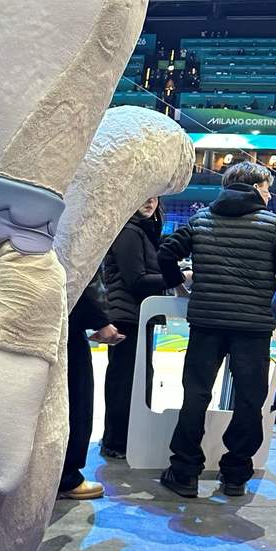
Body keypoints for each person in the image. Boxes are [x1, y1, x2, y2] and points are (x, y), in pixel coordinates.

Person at [157, 161, 276, 499]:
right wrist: (269, 302)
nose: (269, 195)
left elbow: (166, 253)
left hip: (207, 322)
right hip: (252, 328)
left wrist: (179, 285)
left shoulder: (200, 220)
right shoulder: (274, 226)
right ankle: (235, 476)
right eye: (267, 188)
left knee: (196, 395)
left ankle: (184, 472)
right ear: (255, 187)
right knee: (249, 400)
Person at [100, 196, 167, 459]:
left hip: (139, 316)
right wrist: (178, 277)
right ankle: (116, 442)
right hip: (127, 318)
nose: (150, 201)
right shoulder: (129, 231)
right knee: (125, 382)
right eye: (144, 194)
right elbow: (137, 280)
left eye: (155, 196)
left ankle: (125, 439)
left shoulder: (144, 231)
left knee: (136, 380)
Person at [58, 277, 125, 499]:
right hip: (64, 321)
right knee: (75, 399)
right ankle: (66, 476)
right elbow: (80, 274)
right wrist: (102, 321)